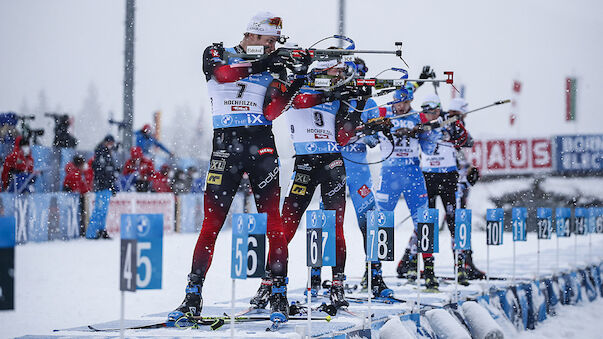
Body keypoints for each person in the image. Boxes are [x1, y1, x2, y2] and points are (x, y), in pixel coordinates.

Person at [170, 12, 309, 323]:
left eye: (276, 42)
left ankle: (278, 294)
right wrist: (263, 64)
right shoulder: (217, 52)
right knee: (211, 226)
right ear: (252, 36)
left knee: (273, 222)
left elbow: (272, 111)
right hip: (226, 147)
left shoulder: (273, 66)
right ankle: (192, 295)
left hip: (260, 145)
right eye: (268, 40)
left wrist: (297, 79)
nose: (273, 46)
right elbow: (223, 75)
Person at [250, 58, 357, 311]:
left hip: (332, 163)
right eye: (336, 69)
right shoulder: (300, 86)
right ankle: (269, 282)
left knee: (336, 226)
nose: (340, 73)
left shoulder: (338, 94)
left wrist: (354, 105)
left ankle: (337, 285)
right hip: (305, 164)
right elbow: (299, 102)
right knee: (286, 225)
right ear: (322, 69)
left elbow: (343, 136)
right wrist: (330, 93)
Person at [364, 83, 442, 290]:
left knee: (424, 220)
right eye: (399, 102)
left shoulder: (418, 118)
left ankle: (429, 271)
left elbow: (428, 149)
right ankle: (371, 272)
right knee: (380, 220)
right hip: (389, 174)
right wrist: (376, 129)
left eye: (406, 102)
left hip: (413, 174)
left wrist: (431, 133)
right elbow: (367, 131)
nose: (402, 107)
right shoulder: (383, 114)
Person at [419, 94, 477, 284]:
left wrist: (453, 127)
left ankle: (460, 267)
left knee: (454, 221)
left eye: (433, 111)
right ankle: (427, 269)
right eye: (426, 112)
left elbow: (467, 141)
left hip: (447, 177)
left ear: (439, 109)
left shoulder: (448, 121)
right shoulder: (419, 121)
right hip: (427, 176)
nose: (430, 115)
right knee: (428, 224)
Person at [86, 134, 119, 239]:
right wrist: (108, 178)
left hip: (106, 186)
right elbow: (101, 170)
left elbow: (109, 171)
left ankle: (101, 230)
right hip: (102, 186)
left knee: (103, 211)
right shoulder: (101, 153)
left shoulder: (107, 153)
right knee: (99, 210)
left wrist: (112, 184)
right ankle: (91, 233)